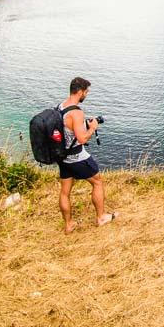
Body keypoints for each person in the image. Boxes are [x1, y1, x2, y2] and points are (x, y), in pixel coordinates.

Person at [57, 76, 115, 233]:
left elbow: (67, 129)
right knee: (97, 181)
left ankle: (69, 225)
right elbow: (82, 139)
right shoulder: (76, 113)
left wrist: (84, 125)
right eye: (86, 92)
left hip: (63, 157)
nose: (86, 95)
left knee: (65, 191)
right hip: (77, 157)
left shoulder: (61, 106)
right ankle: (101, 217)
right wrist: (92, 128)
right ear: (80, 91)